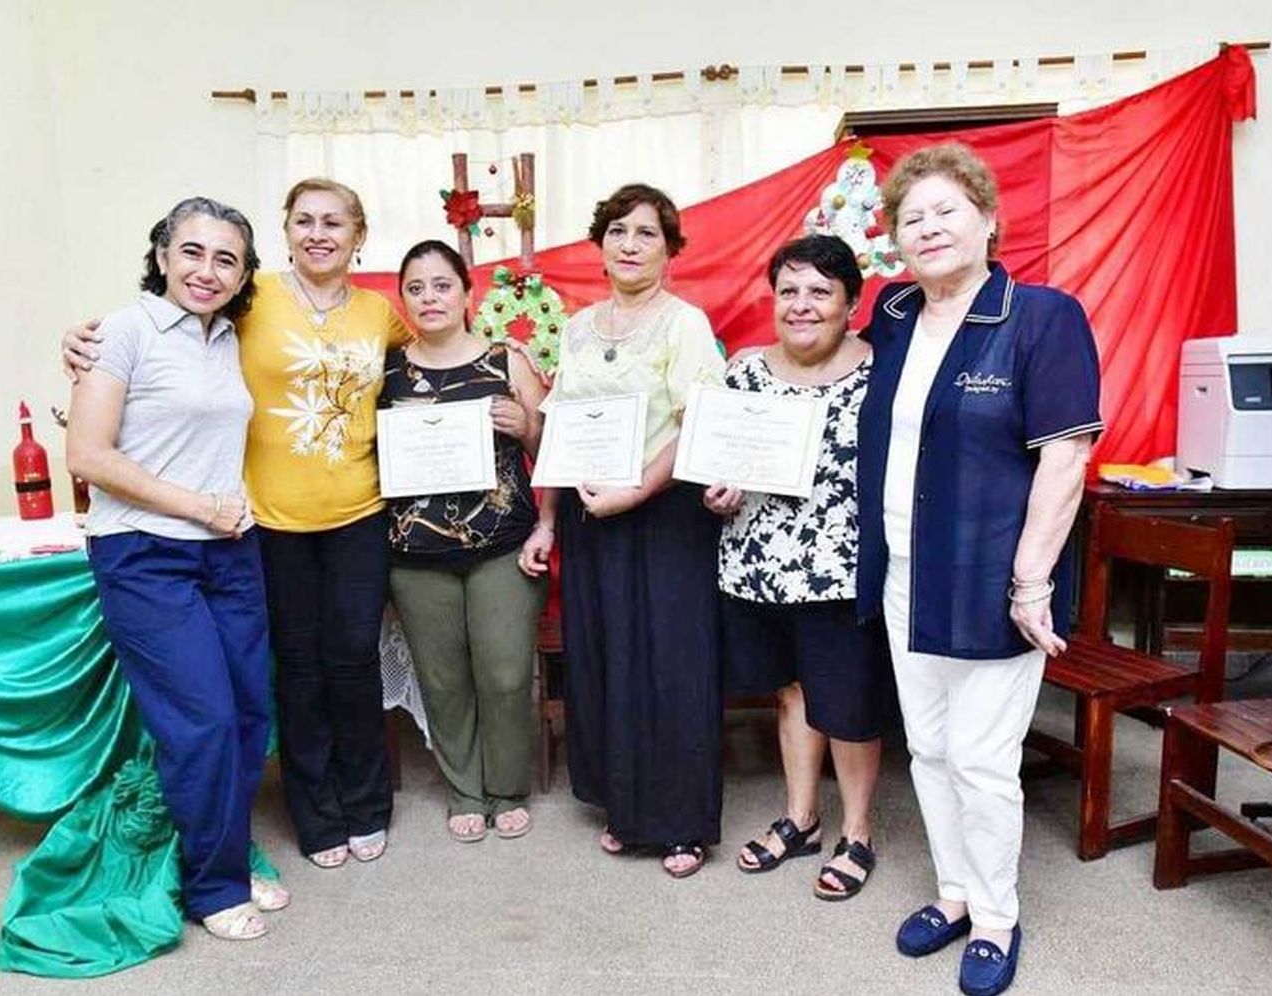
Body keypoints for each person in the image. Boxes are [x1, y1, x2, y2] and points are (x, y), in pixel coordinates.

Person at [65, 179, 411, 870]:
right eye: (304, 220)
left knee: (353, 662)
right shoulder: (251, 302)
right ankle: (315, 816)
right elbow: (159, 348)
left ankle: (367, 803)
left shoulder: (380, 313)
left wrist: (511, 362)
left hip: (357, 515)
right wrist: (79, 345)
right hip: (266, 522)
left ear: (359, 235)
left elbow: (438, 344)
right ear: (285, 233)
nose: (319, 233)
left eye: (334, 222)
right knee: (298, 671)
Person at [855, 143, 1102, 996]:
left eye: (946, 211)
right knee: (925, 744)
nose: (927, 228)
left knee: (981, 756)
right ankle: (954, 891)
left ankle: (997, 915)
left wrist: (1032, 578)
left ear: (989, 220)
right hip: (901, 569)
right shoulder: (890, 316)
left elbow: (1065, 458)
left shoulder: (1043, 316)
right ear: (894, 239)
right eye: (910, 218)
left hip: (993, 574)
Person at [67, 196, 290, 940]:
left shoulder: (231, 336)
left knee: (250, 716)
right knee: (201, 721)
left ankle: (225, 850)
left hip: (230, 550)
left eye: (226, 258)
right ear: (162, 254)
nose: (206, 270)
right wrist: (199, 506)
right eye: (191, 252)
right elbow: (88, 456)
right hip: (145, 552)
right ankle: (214, 886)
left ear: (242, 274)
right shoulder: (123, 329)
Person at [519, 183, 725, 878]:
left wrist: (637, 489)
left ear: (669, 250)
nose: (630, 244)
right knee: (607, 659)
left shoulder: (684, 324)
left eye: (646, 233)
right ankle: (625, 807)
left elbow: (699, 423)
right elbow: (558, 434)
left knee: (670, 663)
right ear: (600, 242)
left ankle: (682, 823)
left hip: (664, 514)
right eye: (618, 231)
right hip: (589, 513)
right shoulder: (577, 328)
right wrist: (550, 518)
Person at [704, 235, 889, 901]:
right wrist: (717, 488)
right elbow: (720, 464)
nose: (802, 305)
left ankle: (858, 831)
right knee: (790, 692)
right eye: (789, 291)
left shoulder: (882, 374)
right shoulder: (745, 372)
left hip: (841, 573)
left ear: (850, 303)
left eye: (819, 292)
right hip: (756, 567)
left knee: (849, 703)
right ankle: (802, 817)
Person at [379, 240, 548, 842]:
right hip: (415, 553)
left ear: (467, 293)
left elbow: (553, 453)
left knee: (504, 675)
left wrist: (528, 425)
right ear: (403, 300)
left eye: (442, 285)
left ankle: (507, 788)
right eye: (416, 288)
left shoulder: (509, 361)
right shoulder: (388, 370)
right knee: (443, 680)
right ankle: (465, 791)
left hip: (503, 544)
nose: (430, 298)